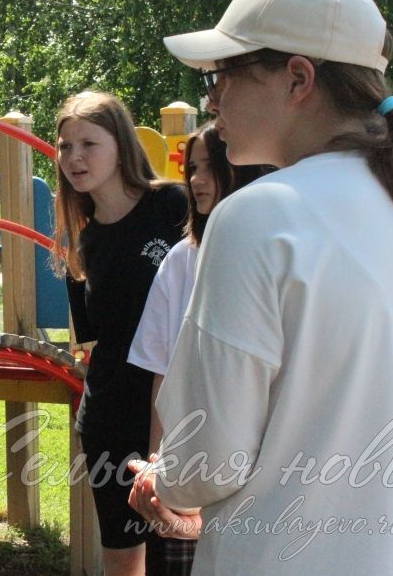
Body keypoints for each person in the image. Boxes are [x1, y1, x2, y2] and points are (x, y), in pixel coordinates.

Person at [129, 0, 393, 575]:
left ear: (299, 77)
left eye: (222, 75)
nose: (211, 100)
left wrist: (167, 483)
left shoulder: (261, 216)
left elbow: (206, 460)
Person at [126, 123, 272, 574]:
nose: (196, 180)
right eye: (192, 168)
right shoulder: (180, 262)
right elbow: (160, 372)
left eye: (212, 167)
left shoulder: (270, 255)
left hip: (262, 465)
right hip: (191, 462)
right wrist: (159, 468)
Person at [51, 90, 187, 575]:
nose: (75, 158)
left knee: (183, 548)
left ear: (121, 144)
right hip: (109, 418)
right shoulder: (81, 240)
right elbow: (97, 341)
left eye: (89, 143)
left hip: (180, 408)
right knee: (123, 554)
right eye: (65, 147)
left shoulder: (172, 205)